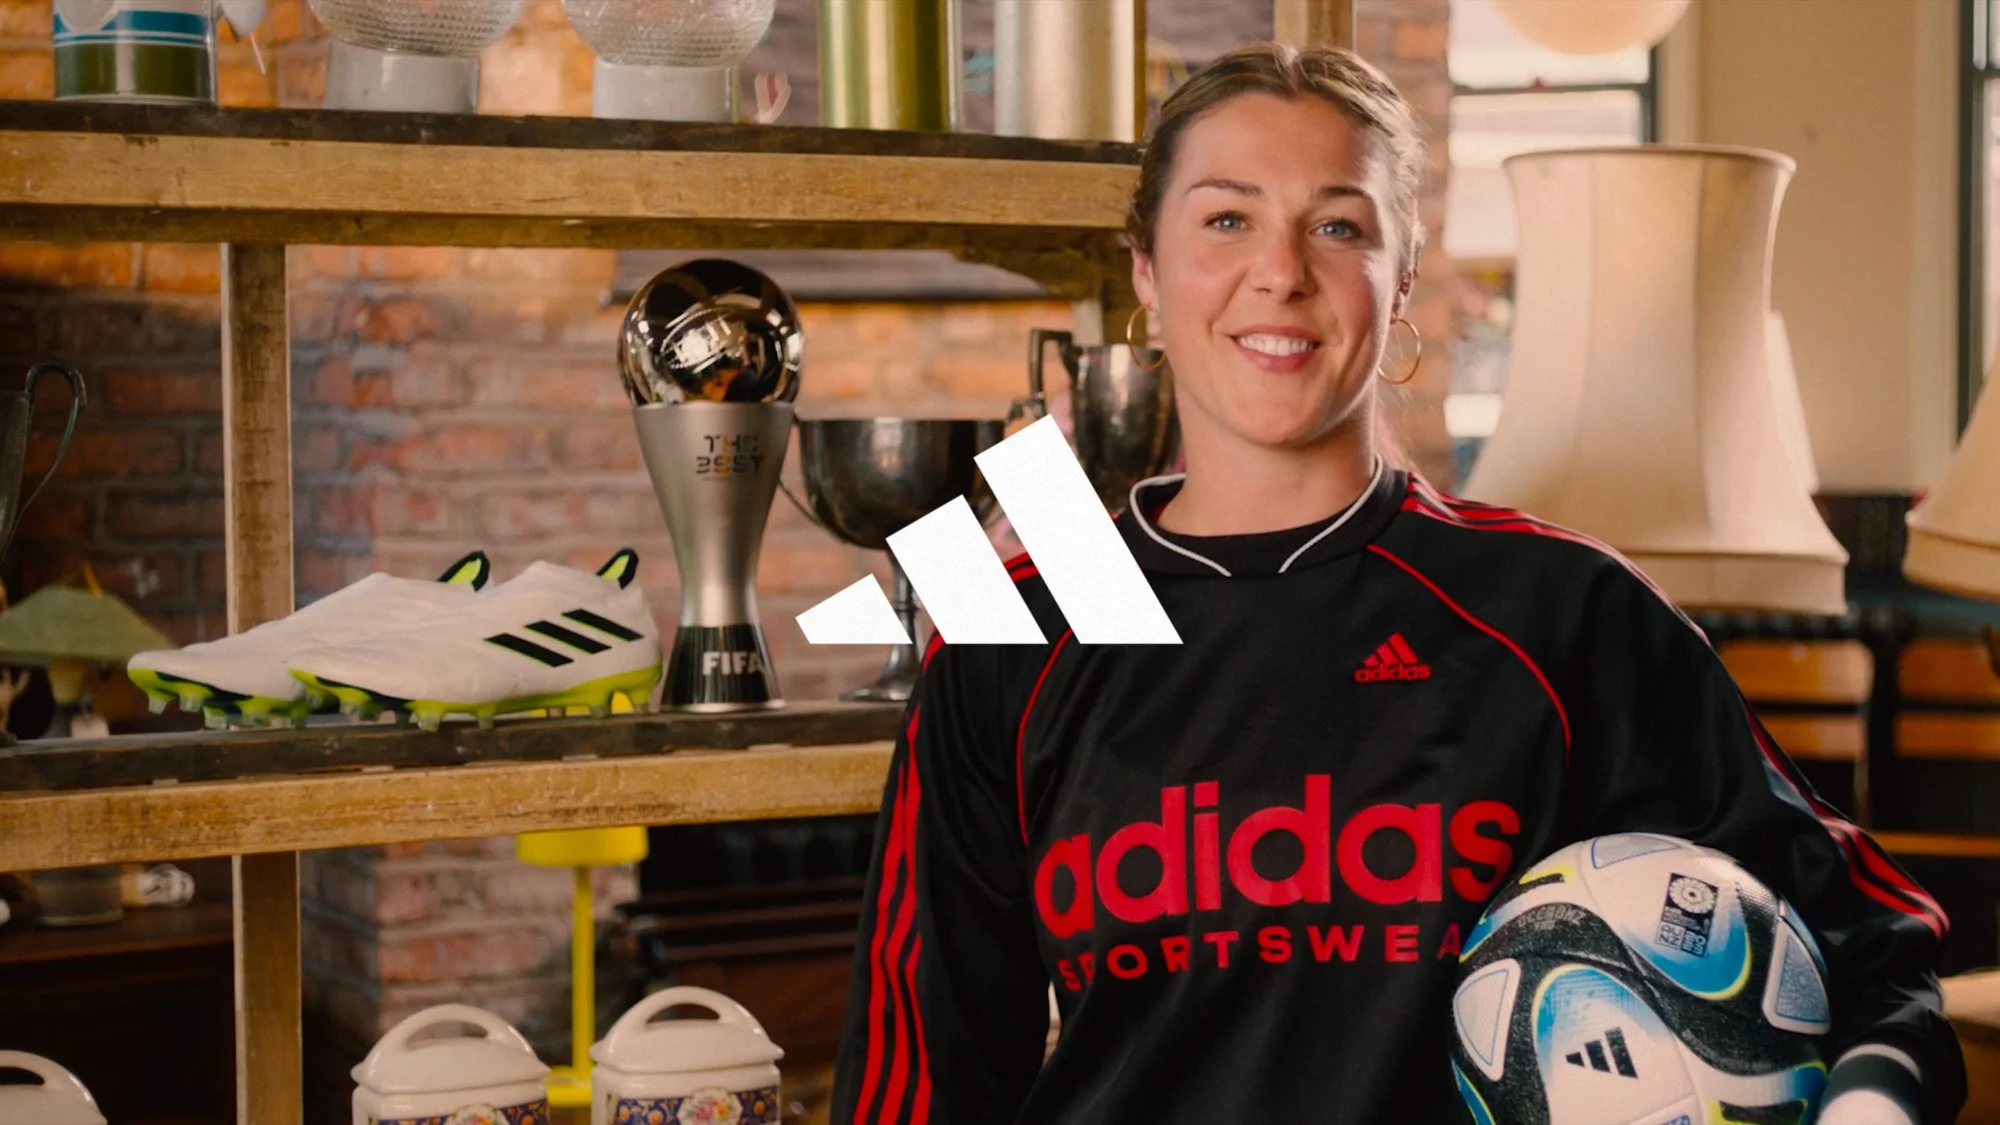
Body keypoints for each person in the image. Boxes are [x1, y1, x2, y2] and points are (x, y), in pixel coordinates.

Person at [829, 41, 1964, 1125]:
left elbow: (1870, 944)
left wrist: (1867, 1103)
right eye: (1226, 219)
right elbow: (917, 1078)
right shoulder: (1010, 628)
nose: (1280, 273)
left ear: (1403, 272)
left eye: (1337, 225)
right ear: (1147, 271)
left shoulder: (1559, 610)